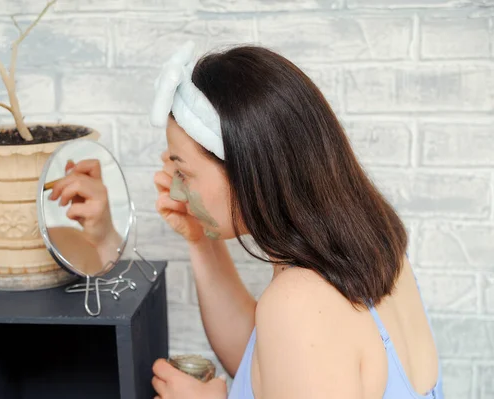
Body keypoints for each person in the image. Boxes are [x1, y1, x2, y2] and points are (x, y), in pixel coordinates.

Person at [147, 42, 445, 399]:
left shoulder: (299, 303)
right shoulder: (374, 241)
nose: (178, 191)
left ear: (246, 171)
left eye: (183, 172)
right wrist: (201, 240)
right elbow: (272, 366)